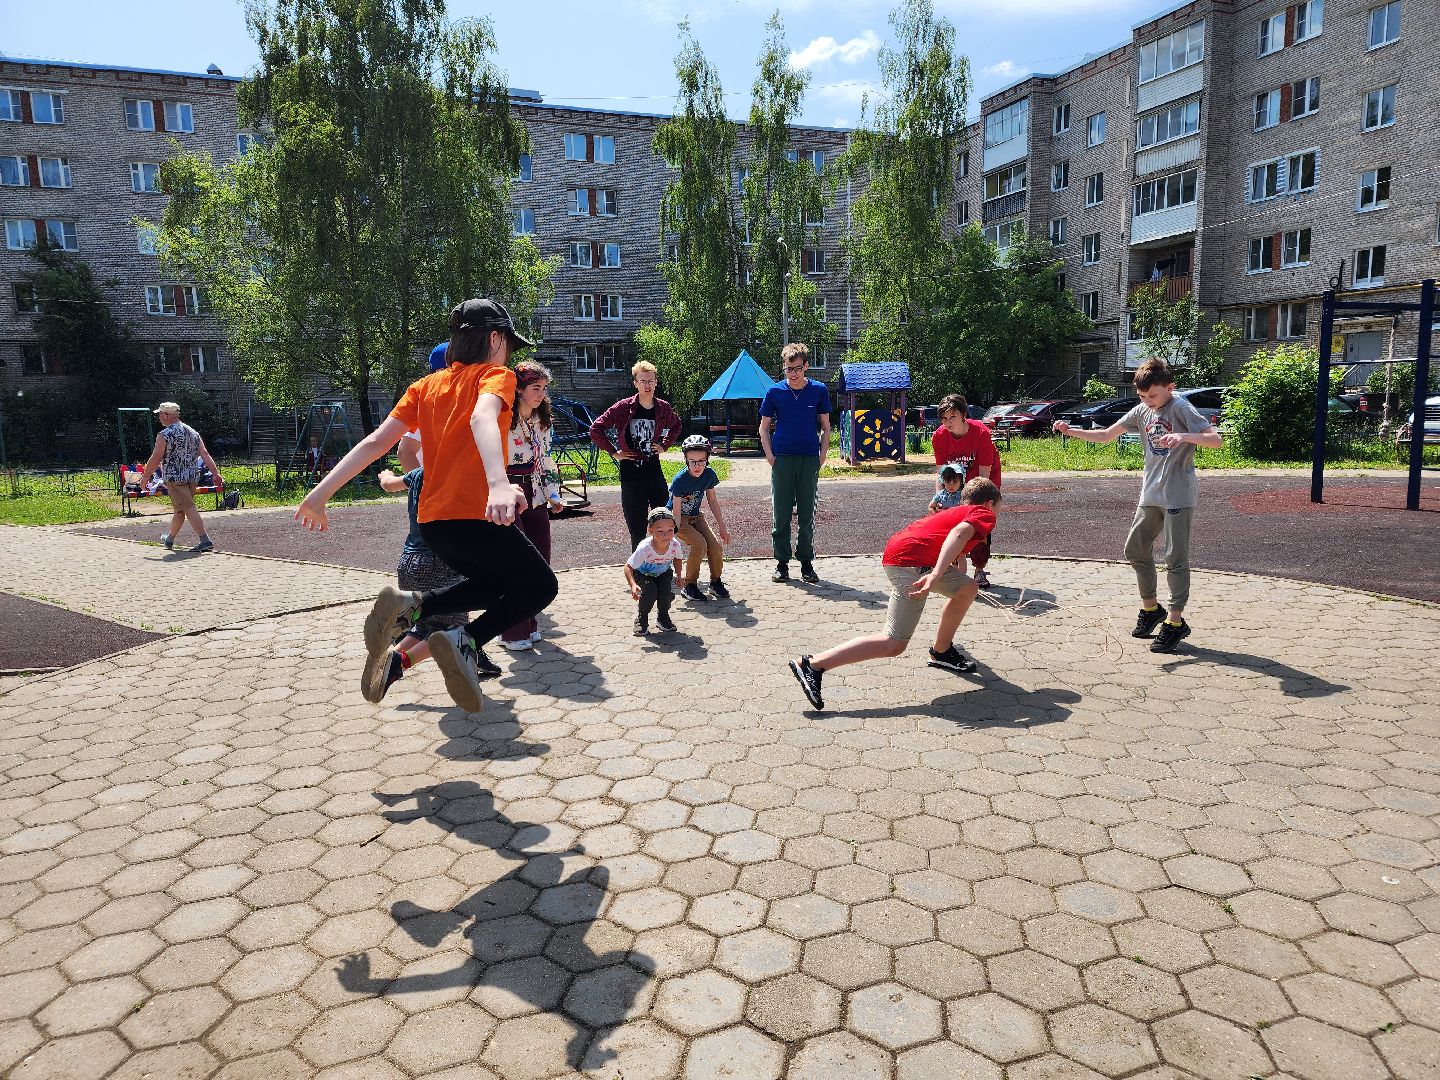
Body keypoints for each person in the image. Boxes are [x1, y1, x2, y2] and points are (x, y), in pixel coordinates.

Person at [294, 298, 558, 713]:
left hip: (436, 524)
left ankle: (414, 608)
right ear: (494, 338)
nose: (510, 353)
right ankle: (464, 642)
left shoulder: (425, 386)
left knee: (492, 586)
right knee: (542, 586)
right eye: (508, 343)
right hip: (477, 515)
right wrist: (497, 483)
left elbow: (375, 443)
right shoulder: (496, 376)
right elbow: (482, 420)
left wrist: (320, 494)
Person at [1053, 356, 1221, 653]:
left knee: (1175, 559)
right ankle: (1151, 609)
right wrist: (1070, 431)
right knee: (1134, 550)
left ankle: (1175, 622)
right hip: (1151, 494)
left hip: (1178, 495)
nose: (1148, 401)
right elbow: (1106, 435)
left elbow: (1215, 439)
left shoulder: (1180, 406)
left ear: (1170, 387)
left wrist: (1183, 435)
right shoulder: (1142, 410)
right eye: (1142, 396)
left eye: (1153, 395)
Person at [788, 477, 1002, 711]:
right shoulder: (984, 513)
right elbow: (959, 535)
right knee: (894, 643)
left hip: (908, 554)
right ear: (989, 503)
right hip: (908, 563)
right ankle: (813, 664)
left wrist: (948, 575)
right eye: (998, 508)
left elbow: (950, 544)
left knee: (967, 588)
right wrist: (935, 575)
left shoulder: (959, 511)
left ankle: (941, 651)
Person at [364, 466, 468, 703]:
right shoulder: (457, 473)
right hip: (442, 562)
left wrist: (385, 476)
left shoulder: (420, 473)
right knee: (450, 629)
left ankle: (387, 656)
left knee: (423, 626)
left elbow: (390, 485)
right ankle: (398, 664)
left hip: (410, 561)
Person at [501, 361, 565, 651]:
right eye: (535, 388)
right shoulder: (503, 419)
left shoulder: (542, 420)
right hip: (508, 489)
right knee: (516, 561)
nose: (541, 394)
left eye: (543, 388)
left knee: (540, 558)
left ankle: (530, 622)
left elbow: (545, 460)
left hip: (536, 492)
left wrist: (553, 494)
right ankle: (512, 631)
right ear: (519, 390)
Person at [589, 361, 682, 548]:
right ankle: (639, 571)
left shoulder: (662, 407)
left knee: (663, 520)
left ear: (656, 382)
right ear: (636, 383)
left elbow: (676, 426)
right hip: (630, 471)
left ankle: (662, 566)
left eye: (650, 381)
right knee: (636, 526)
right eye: (643, 381)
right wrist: (614, 452)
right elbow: (596, 429)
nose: (647, 385)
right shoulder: (623, 407)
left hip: (653, 469)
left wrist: (664, 445)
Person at [759, 342, 831, 584]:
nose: (793, 374)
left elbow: (826, 427)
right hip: (782, 460)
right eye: (788, 369)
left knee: (807, 514)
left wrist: (822, 455)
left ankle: (806, 563)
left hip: (809, 459)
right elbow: (763, 428)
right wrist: (770, 456)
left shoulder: (819, 390)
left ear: (806, 366)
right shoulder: (775, 392)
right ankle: (781, 563)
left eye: (797, 368)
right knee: (780, 514)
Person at [931, 392, 1001, 588]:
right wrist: (939, 498)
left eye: (952, 416)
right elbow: (941, 473)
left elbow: (983, 476)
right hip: (956, 484)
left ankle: (979, 570)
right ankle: (954, 570)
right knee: (951, 522)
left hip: (983, 481)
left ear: (963, 415)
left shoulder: (981, 434)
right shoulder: (939, 437)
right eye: (944, 418)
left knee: (979, 524)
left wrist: (971, 505)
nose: (948, 422)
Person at [137, 400, 223, 553]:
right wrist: (215, 474)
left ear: (166, 415)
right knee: (180, 508)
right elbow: (205, 454)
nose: (159, 418)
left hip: (175, 477)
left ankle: (205, 540)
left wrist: (145, 478)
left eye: (160, 415)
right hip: (192, 476)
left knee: (188, 506)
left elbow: (156, 457)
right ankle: (169, 539)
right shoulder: (193, 432)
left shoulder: (164, 434)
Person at [669, 434, 732, 601]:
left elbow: (712, 500)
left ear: (707, 459)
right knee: (699, 544)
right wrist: (672, 535)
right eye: (692, 461)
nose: (697, 466)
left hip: (696, 517)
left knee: (715, 545)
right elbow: (675, 511)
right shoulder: (680, 480)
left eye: (701, 461)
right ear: (686, 460)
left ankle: (715, 582)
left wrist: (722, 526)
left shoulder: (709, 474)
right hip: (678, 519)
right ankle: (689, 585)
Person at [625, 506, 681, 636]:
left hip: (663, 572)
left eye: (670, 530)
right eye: (660, 531)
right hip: (643, 573)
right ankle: (641, 619)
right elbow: (628, 567)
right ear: (650, 530)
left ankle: (663, 618)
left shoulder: (675, 545)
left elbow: (678, 559)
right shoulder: (645, 548)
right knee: (650, 593)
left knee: (666, 594)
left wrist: (679, 575)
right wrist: (633, 585)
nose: (666, 534)